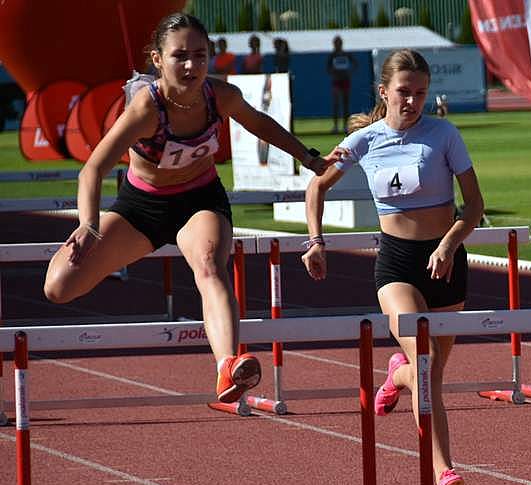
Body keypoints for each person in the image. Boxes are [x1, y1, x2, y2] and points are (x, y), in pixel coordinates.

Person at [43, 13, 334, 404]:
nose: (191, 65)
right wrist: (89, 226)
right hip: (141, 208)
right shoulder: (146, 109)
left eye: (200, 55)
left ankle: (227, 366)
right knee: (59, 287)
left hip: (199, 200)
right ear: (158, 59)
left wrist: (308, 156)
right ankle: (227, 363)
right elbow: (92, 169)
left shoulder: (219, 96)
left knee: (210, 265)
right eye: (179, 56)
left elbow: (259, 123)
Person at [302, 49, 484, 485]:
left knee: (430, 375)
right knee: (426, 361)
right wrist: (316, 241)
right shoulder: (365, 140)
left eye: (421, 93)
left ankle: (397, 375)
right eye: (404, 92)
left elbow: (475, 206)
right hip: (397, 264)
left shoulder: (444, 135)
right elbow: (317, 185)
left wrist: (449, 244)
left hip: (445, 260)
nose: (413, 101)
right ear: (384, 92)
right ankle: (443, 470)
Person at [327, 35, 353, 134]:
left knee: (345, 103)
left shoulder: (346, 54)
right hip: (337, 81)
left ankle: (345, 126)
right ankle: (336, 126)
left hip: (345, 80)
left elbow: (354, 64)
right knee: (336, 103)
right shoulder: (332, 55)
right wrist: (333, 73)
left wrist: (349, 72)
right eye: (336, 43)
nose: (338, 45)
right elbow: (328, 67)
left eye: (339, 42)